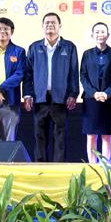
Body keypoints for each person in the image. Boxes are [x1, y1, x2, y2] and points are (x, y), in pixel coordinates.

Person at [23, 12, 79, 162]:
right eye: (47, 23)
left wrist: (73, 94)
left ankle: (58, 169)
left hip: (60, 99)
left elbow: (74, 72)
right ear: (42, 26)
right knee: (39, 137)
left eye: (53, 22)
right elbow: (28, 74)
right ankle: (40, 168)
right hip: (40, 98)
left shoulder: (69, 47)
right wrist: (27, 94)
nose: (50, 25)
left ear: (60, 26)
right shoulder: (34, 47)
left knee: (60, 138)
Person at [79, 22, 111, 163]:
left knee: (107, 134)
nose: (100, 34)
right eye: (97, 32)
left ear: (108, 35)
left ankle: (105, 166)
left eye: (103, 32)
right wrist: (94, 93)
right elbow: (83, 76)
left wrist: (107, 93)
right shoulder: (87, 54)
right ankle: (93, 165)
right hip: (91, 99)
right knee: (91, 135)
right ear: (92, 35)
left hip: (108, 99)